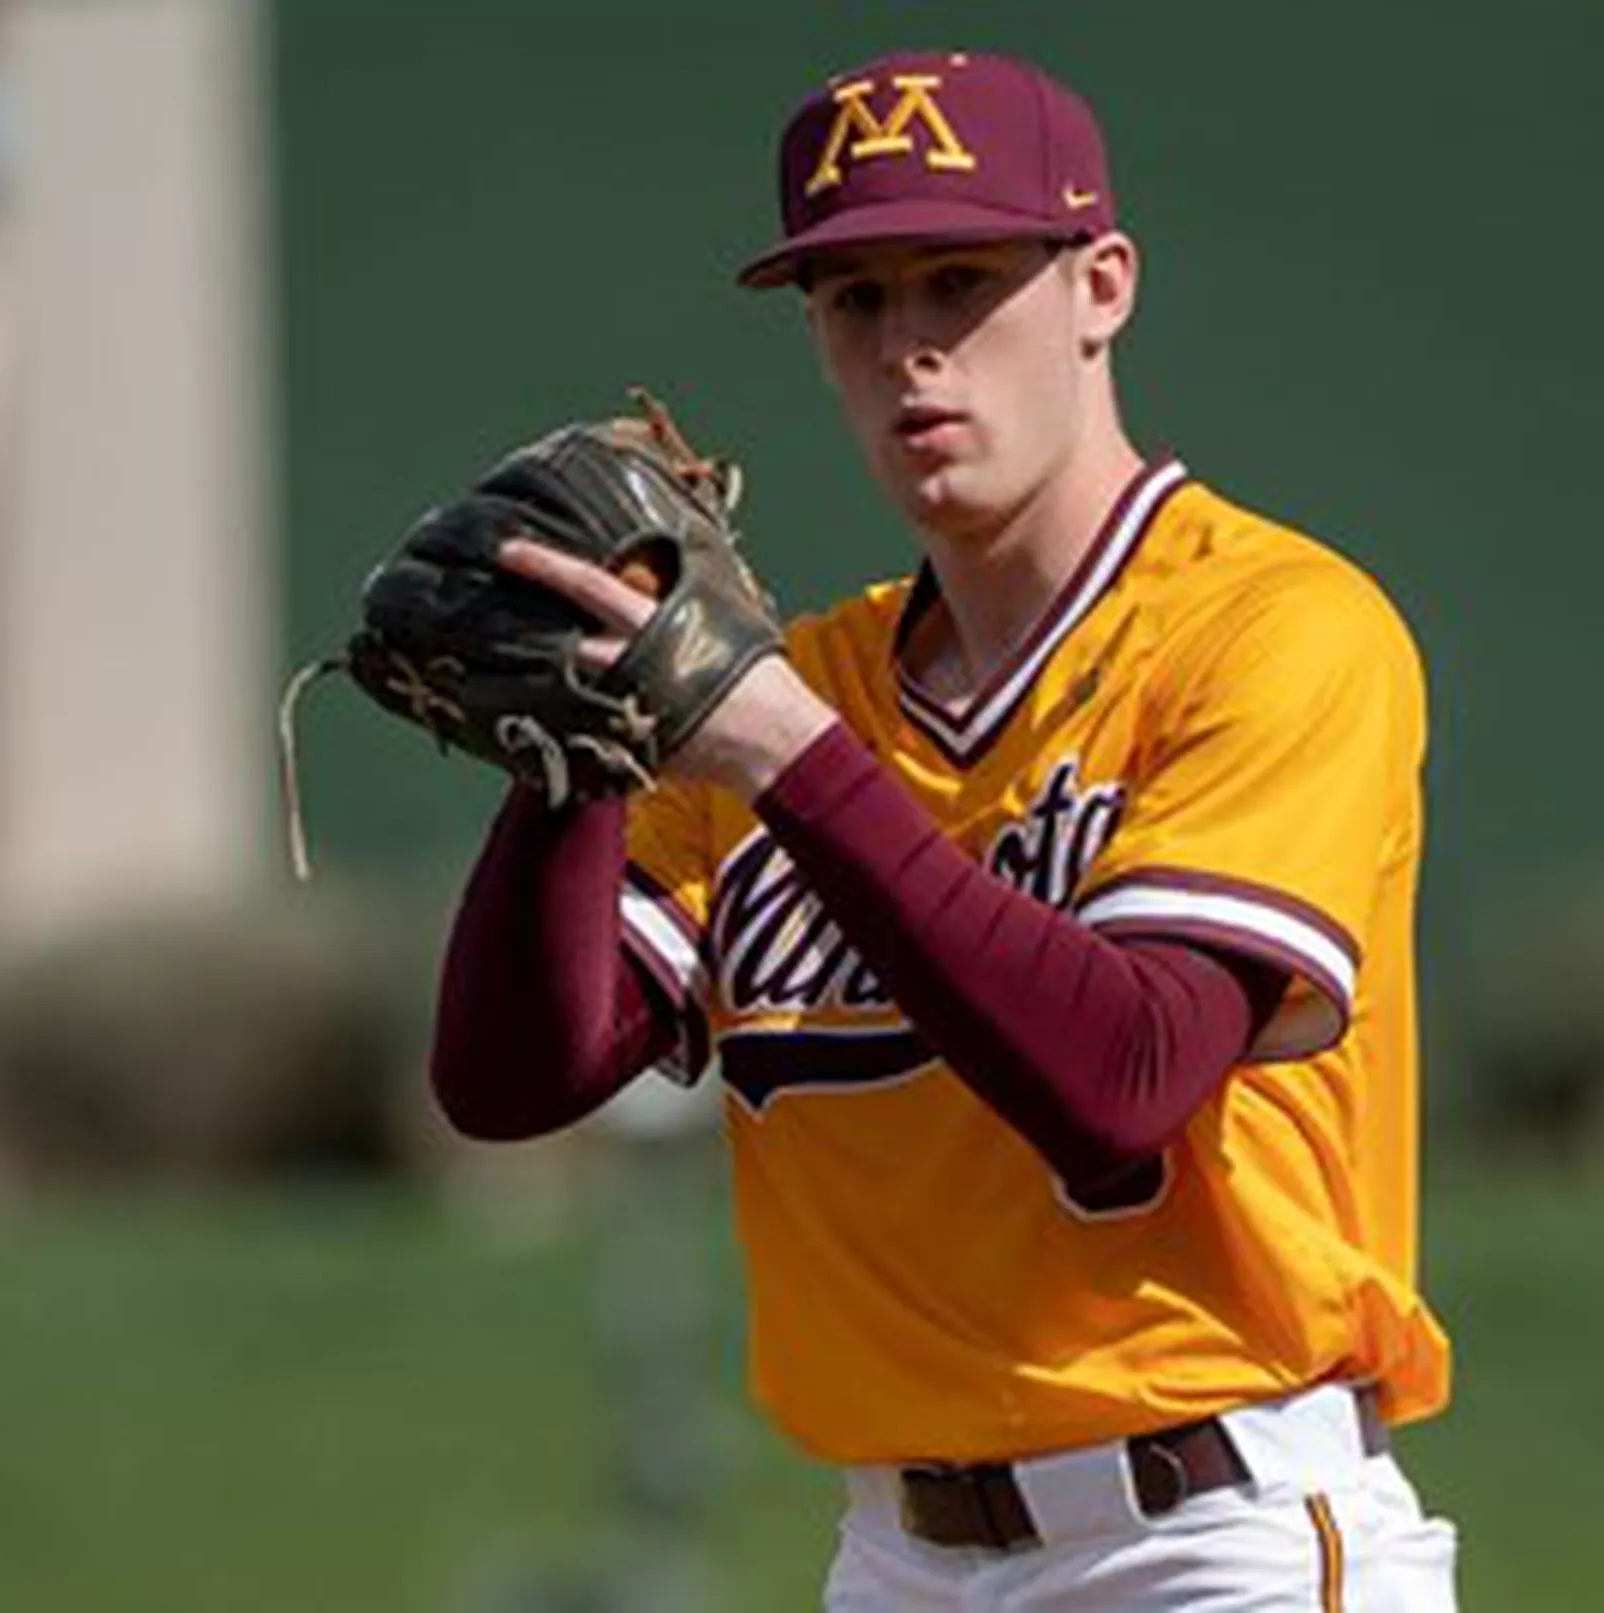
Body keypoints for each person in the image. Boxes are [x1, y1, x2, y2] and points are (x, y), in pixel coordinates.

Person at [434, 46, 1459, 1611]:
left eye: (960, 280)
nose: (911, 348)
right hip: (895, 1555)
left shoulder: (1274, 632)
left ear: (1101, 285)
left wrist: (788, 751)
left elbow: (1122, 1077)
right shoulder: (804, 684)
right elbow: (515, 1078)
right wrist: (567, 758)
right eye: (856, 301)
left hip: (1213, 1532)